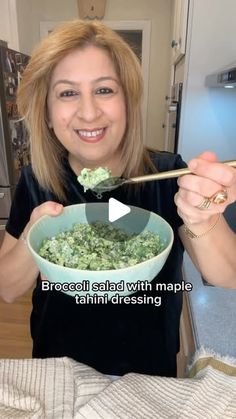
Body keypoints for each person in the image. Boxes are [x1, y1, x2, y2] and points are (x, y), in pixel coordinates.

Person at [0, 20, 235, 378]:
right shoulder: (36, 181)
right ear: (47, 113)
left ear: (128, 101)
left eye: (105, 90)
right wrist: (34, 234)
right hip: (59, 372)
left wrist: (205, 217)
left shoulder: (168, 175)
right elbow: (6, 288)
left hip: (147, 375)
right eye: (67, 93)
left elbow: (227, 276)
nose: (89, 112)